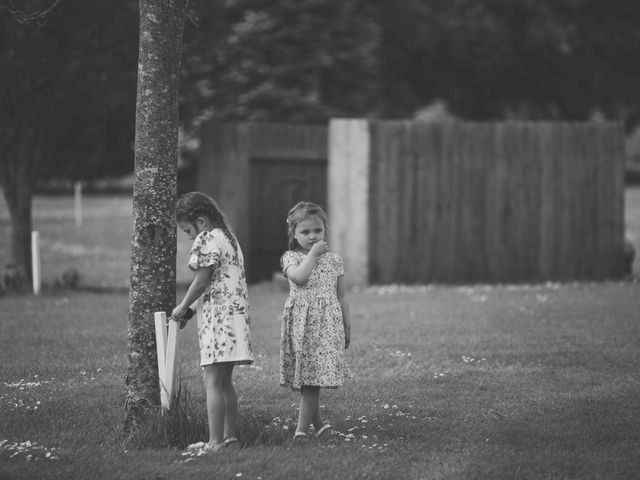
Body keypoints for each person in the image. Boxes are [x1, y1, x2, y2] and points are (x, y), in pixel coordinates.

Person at [170, 192, 254, 453]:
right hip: (235, 319)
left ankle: (214, 442)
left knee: (213, 382)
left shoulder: (206, 238)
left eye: (188, 230)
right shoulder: (229, 238)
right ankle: (230, 439)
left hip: (219, 322)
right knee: (225, 381)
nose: (190, 237)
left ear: (201, 221)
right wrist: (191, 312)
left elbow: (201, 282)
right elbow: (220, 285)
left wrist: (182, 306)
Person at [279, 201, 351, 445]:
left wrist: (346, 325)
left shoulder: (335, 261)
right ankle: (307, 430)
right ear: (294, 233)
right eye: (305, 232)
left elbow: (341, 295)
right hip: (302, 325)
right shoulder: (290, 257)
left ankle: (309, 428)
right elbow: (299, 278)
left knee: (313, 380)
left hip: (327, 325)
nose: (312, 236)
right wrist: (312, 254)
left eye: (317, 231)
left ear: (325, 231)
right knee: (309, 380)